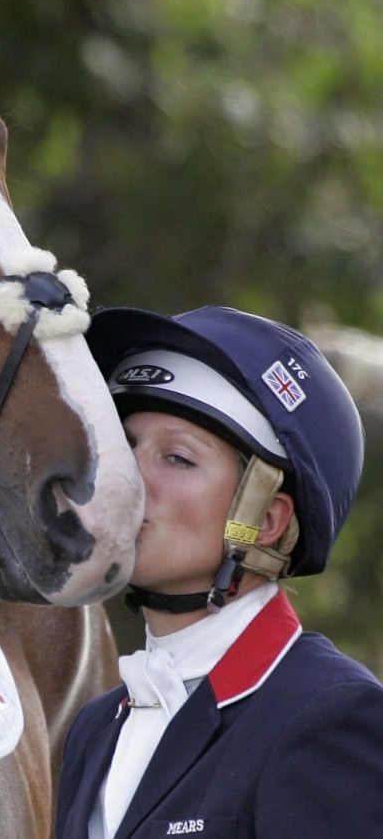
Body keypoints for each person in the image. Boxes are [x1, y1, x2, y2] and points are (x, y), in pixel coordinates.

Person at [56, 304, 383, 838]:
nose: (126, 482)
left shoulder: (331, 715)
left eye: (178, 459)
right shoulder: (95, 728)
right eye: (125, 447)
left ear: (267, 519)